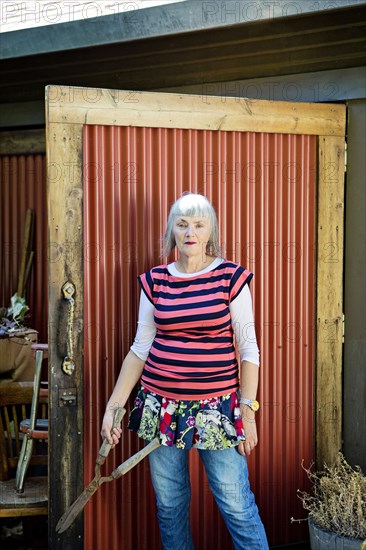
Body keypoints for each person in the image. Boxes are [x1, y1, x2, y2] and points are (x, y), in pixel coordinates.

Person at [101, 193, 269, 550]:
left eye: (198, 224)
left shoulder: (230, 278)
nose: (190, 232)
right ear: (171, 231)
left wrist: (248, 413)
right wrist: (114, 407)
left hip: (217, 409)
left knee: (237, 505)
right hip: (161, 408)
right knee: (170, 506)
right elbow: (139, 349)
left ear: (210, 231)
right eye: (182, 224)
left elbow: (249, 349)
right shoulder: (155, 281)